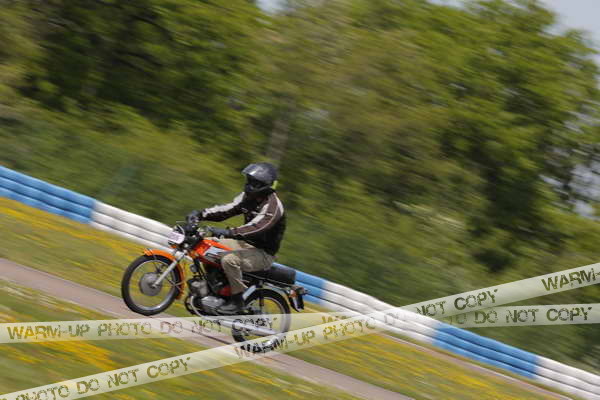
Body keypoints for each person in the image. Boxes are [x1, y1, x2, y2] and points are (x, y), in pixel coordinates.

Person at [186, 162, 286, 314]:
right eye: (248, 181)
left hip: (263, 253)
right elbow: (226, 210)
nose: (248, 185)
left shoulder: (273, 206)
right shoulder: (248, 197)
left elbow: (256, 228)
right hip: (243, 244)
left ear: (263, 185)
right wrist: (200, 214)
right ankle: (215, 289)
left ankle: (237, 301)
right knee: (207, 245)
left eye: (253, 182)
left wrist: (228, 232)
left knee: (229, 260)